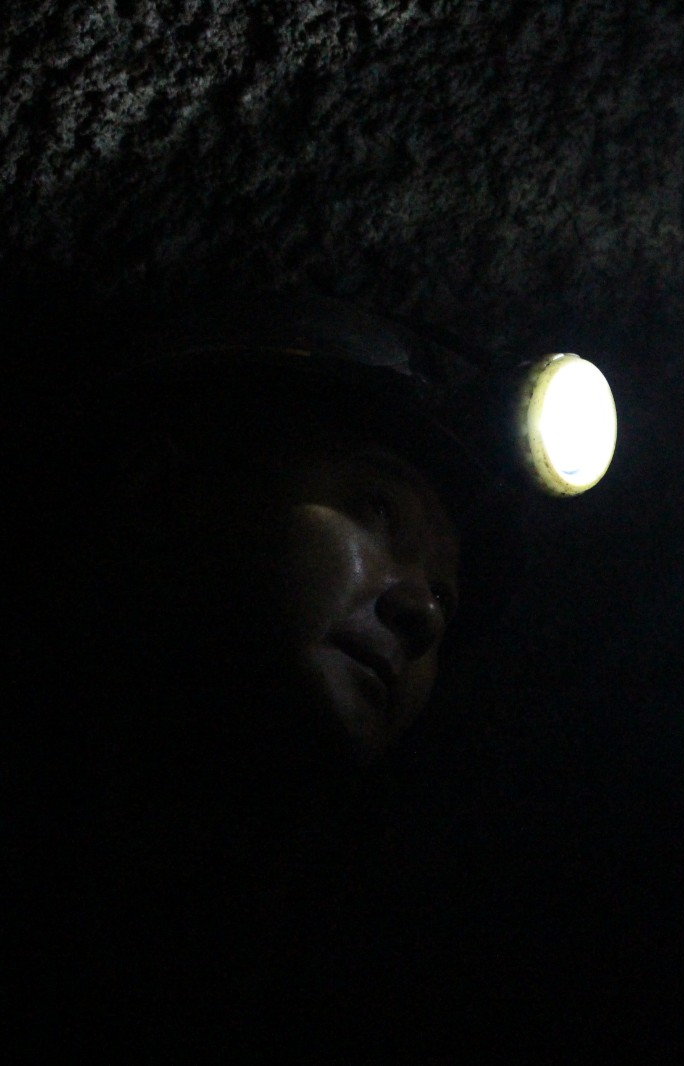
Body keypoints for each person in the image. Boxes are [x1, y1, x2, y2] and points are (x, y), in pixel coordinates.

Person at [11, 295, 498, 1022]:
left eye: (445, 598)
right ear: (163, 488)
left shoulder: (347, 974)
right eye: (376, 509)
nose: (423, 612)